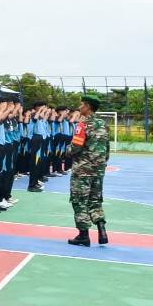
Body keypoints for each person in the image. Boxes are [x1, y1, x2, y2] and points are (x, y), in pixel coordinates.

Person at [67, 95, 110, 247]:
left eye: (82, 105)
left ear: (87, 106)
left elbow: (76, 147)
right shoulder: (103, 124)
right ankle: (101, 228)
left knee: (79, 201)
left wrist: (67, 151)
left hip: (83, 170)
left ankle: (83, 235)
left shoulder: (82, 125)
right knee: (95, 201)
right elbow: (107, 149)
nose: (80, 107)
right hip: (98, 170)